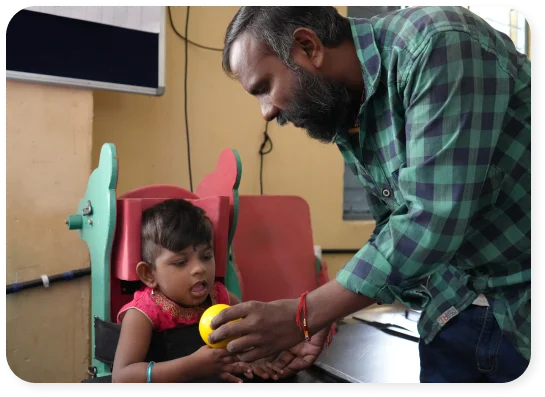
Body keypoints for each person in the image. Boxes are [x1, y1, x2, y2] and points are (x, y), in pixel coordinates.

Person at [208, 6, 532, 383]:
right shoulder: (350, 109)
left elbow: (431, 218)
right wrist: (325, 314)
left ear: (308, 46)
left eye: (264, 86)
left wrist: (306, 314)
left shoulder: (436, 43)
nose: (267, 112)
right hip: (451, 306)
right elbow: (394, 225)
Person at [111, 198, 300, 383]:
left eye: (206, 256)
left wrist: (258, 357)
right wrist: (190, 368)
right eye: (180, 262)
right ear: (149, 274)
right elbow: (122, 377)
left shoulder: (220, 297)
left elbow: (253, 332)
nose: (199, 268)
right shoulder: (143, 314)